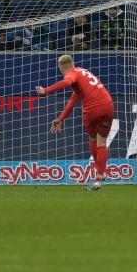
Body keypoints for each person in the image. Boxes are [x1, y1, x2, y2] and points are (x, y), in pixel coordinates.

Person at [35, 54, 114, 191]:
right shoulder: (82, 72)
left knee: (94, 140)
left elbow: (67, 82)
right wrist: (61, 118)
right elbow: (73, 100)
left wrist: (46, 90)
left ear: (61, 68)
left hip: (93, 109)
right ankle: (101, 174)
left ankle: (99, 177)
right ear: (73, 63)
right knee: (102, 142)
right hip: (108, 105)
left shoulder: (71, 74)